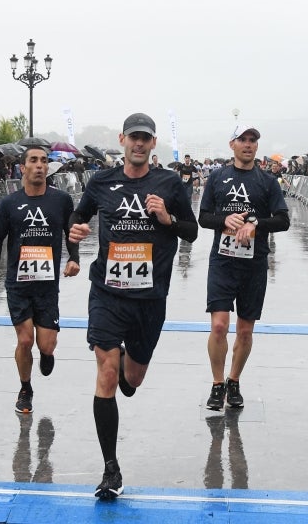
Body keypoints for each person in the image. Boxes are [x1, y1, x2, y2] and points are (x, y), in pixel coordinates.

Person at [67, 113, 198, 500]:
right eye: (133, 138)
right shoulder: (102, 181)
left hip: (150, 298)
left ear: (153, 144)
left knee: (131, 381)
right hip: (107, 292)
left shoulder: (169, 183)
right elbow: (78, 216)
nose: (139, 144)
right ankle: (111, 469)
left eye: (146, 139)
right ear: (123, 140)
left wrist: (166, 217)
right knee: (106, 375)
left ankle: (129, 362)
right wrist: (74, 237)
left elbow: (191, 230)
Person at [0, 146, 82, 414]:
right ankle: (25, 388)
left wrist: (74, 259)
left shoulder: (61, 200)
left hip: (47, 284)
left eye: (43, 161)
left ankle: (47, 355)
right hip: (18, 282)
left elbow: (70, 233)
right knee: (25, 340)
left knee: (46, 344)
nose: (39, 165)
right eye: (33, 161)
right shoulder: (9, 203)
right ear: (23, 167)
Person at [199, 124, 290, 410]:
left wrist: (256, 225)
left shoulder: (267, 182)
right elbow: (203, 217)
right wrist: (224, 221)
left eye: (253, 140)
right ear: (232, 144)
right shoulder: (217, 177)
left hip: (254, 264)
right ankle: (217, 384)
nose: (248, 145)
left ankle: (234, 380)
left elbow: (283, 220)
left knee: (245, 331)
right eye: (243, 140)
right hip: (223, 262)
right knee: (218, 326)